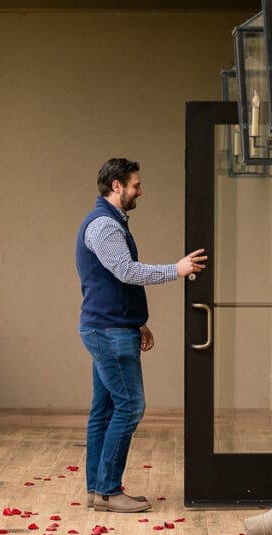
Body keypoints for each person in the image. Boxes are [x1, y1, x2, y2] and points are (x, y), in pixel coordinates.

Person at [76, 158, 207, 513]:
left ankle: (97, 489)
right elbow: (125, 271)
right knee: (130, 406)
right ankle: (107, 490)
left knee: (104, 408)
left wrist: (135, 320)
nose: (140, 191)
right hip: (108, 331)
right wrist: (176, 270)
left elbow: (114, 280)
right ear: (116, 186)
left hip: (112, 326)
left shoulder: (108, 222)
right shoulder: (104, 226)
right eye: (135, 185)